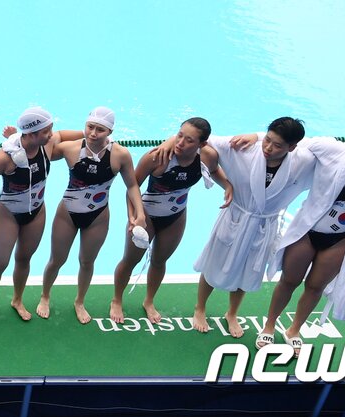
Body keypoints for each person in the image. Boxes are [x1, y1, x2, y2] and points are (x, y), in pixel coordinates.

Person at [152, 117, 316, 338]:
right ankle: (200, 307)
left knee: (248, 270)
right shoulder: (244, 148)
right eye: (267, 139)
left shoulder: (302, 161)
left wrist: (257, 134)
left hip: (263, 225)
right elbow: (202, 139)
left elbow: (331, 150)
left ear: (292, 147)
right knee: (213, 263)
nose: (267, 147)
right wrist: (171, 141)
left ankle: (232, 313)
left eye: (277, 146)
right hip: (236, 217)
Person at [257, 120, 345, 352]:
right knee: (289, 280)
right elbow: (291, 141)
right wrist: (253, 138)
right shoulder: (333, 150)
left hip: (340, 240)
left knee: (315, 287)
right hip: (307, 231)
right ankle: (269, 326)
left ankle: (294, 330)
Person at [108, 118, 233, 324]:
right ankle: (117, 300)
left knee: (159, 261)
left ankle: (149, 301)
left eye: (189, 140)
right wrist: (134, 217)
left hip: (175, 217)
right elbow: (132, 187)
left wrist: (226, 185)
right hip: (146, 215)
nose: (180, 142)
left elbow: (214, 171)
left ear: (202, 145)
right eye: (180, 135)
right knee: (130, 260)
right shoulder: (157, 157)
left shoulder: (207, 157)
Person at [38, 107, 146, 324]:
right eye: (90, 127)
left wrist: (139, 214)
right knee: (56, 260)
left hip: (97, 217)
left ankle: (79, 301)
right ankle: (45, 296)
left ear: (110, 131)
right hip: (67, 213)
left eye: (100, 129)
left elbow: (132, 185)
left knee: (87, 261)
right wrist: (51, 134)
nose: (94, 133)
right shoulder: (70, 148)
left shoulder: (120, 155)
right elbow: (42, 152)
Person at [0, 107, 85, 321]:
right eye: (47, 131)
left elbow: (63, 135)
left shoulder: (46, 144)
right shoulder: (5, 157)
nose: (51, 134)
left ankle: (17, 299)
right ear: (32, 134)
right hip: (8, 213)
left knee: (24, 258)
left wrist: (88, 133)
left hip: (36, 213)